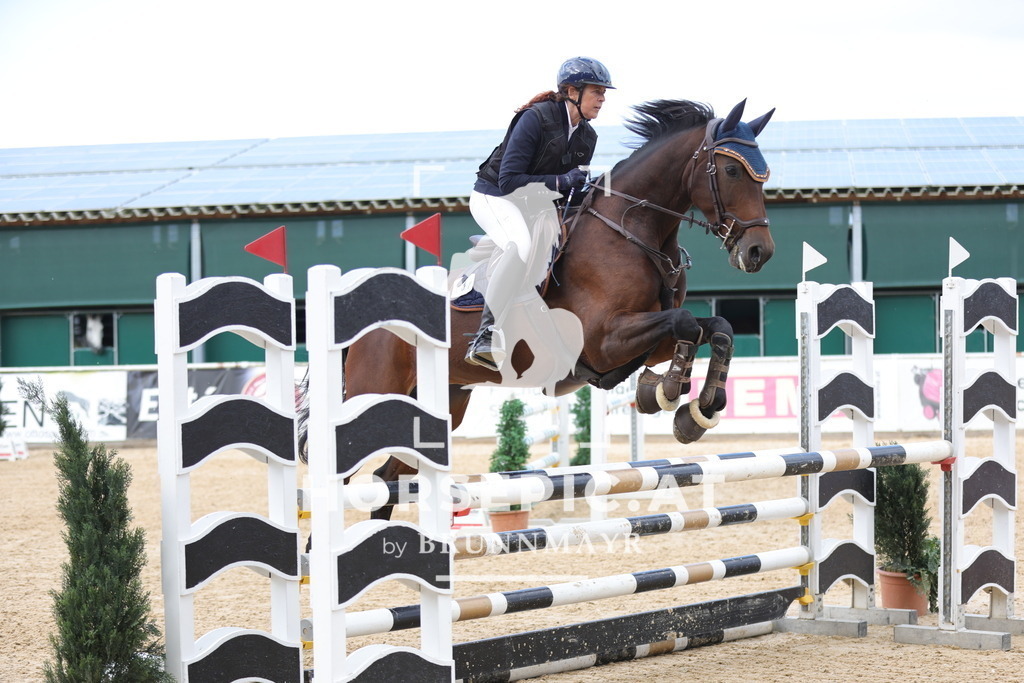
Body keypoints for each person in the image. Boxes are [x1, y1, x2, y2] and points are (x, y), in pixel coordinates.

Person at [466, 56, 614, 371]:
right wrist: (561, 181)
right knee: (520, 245)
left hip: (535, 206)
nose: (603, 99)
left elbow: (569, 193)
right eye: (597, 91)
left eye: (604, 92)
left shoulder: (588, 136)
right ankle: (486, 335)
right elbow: (508, 180)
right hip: (495, 197)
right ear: (572, 90)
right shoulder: (535, 118)